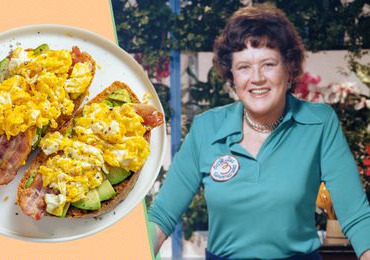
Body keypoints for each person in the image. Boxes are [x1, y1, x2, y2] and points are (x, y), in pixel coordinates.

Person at [148, 4, 370, 259]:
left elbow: (356, 215)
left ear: (288, 68)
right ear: (231, 75)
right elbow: (162, 215)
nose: (256, 78)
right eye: (243, 67)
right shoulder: (206, 128)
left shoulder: (319, 123)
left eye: (268, 64)